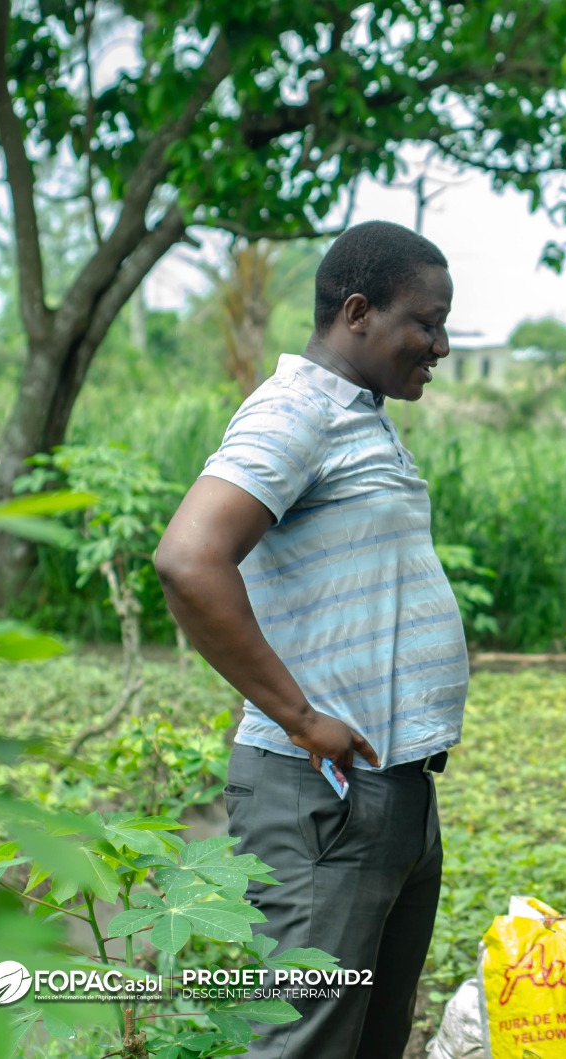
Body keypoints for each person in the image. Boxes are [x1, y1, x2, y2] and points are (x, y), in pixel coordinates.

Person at [155, 220, 468, 1059]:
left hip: (387, 789)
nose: (439, 344)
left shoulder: (359, 416)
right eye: (426, 322)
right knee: (307, 1041)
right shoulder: (297, 409)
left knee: (366, 1038)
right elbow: (190, 558)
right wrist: (299, 714)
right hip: (320, 794)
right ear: (358, 312)